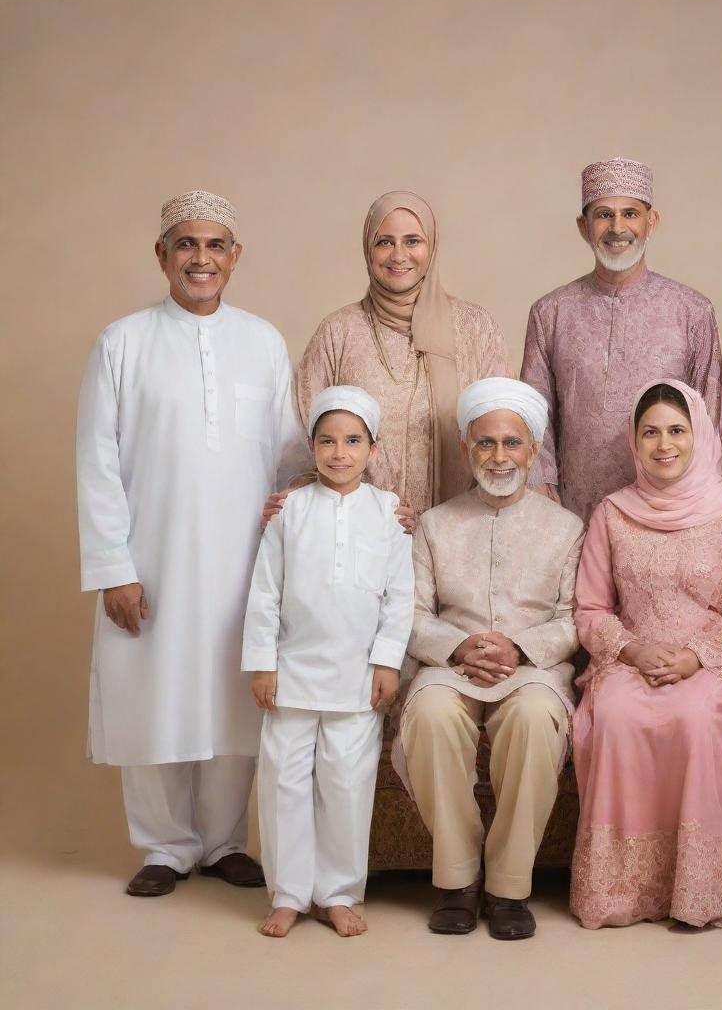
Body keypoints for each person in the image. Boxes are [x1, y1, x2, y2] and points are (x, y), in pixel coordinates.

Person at [76, 190, 306, 897]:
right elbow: (97, 459)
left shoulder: (263, 340)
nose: (200, 259)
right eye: (186, 244)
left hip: (243, 558)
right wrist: (115, 565)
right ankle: (165, 847)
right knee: (155, 691)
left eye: (214, 246)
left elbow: (290, 453)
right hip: (154, 555)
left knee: (235, 694)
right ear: (162, 255)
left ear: (233, 257)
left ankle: (226, 842)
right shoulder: (122, 342)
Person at [571, 380, 722, 929]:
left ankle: (701, 889)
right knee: (618, 716)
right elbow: (590, 609)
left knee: (696, 717)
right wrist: (632, 648)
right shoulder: (612, 512)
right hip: (634, 658)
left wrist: (697, 654)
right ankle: (626, 889)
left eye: (677, 430)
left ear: (699, 437)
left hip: (718, 661)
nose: (663, 444)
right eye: (650, 432)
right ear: (634, 442)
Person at [393, 378, 584, 940]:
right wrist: (456, 645)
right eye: (486, 443)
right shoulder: (434, 524)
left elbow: (578, 617)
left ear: (533, 450)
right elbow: (409, 611)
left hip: (533, 669)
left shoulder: (565, 527)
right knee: (429, 717)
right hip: (449, 665)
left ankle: (507, 887)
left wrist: (520, 647)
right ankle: (458, 882)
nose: (499, 457)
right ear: (465, 449)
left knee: (531, 720)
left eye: (512, 443)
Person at [243, 386, 414, 938]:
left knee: (347, 782)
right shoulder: (289, 510)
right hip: (291, 671)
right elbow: (265, 592)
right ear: (312, 446)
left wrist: (388, 662)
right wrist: (262, 663)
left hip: (357, 675)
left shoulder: (390, 513)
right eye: (327, 441)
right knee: (284, 780)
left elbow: (400, 596)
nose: (340, 453)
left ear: (373, 447)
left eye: (353, 441)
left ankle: (338, 891)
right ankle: (289, 893)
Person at [276, 191, 508, 533]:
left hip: (459, 533)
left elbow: (503, 430)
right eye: (385, 242)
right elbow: (302, 441)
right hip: (359, 533)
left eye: (412, 241)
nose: (399, 255)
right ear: (368, 249)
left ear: (431, 247)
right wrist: (294, 504)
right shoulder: (337, 332)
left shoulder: (474, 328)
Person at [521, 157, 722, 523]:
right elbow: (535, 414)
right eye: (603, 215)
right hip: (572, 514)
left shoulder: (692, 311)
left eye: (630, 213)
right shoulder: (550, 312)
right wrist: (540, 486)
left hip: (666, 515)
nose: (617, 228)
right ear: (584, 227)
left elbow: (711, 422)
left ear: (652, 222)